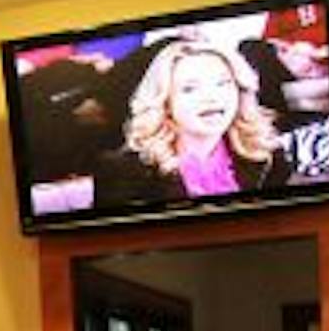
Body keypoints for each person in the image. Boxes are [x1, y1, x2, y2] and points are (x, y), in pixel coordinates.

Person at [93, 37, 294, 208]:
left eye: (223, 84)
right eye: (190, 89)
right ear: (165, 102)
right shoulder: (123, 170)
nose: (211, 98)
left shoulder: (268, 155)